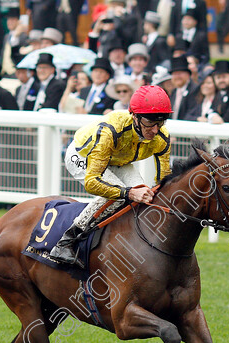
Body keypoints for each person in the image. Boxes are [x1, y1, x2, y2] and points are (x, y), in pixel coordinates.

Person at [50, 85, 172, 265]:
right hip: (82, 154)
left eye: (161, 122)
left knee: (142, 195)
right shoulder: (110, 131)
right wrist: (128, 193)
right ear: (135, 117)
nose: (155, 130)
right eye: (150, 122)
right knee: (120, 197)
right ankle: (67, 241)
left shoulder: (162, 137)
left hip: (117, 160)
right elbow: (92, 182)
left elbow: (164, 179)